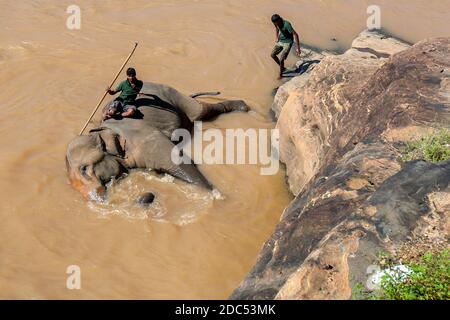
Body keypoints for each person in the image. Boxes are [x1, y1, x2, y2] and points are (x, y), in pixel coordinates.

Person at [270, 14, 301, 79]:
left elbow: (296, 35)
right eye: (274, 23)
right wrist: (276, 37)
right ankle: (283, 68)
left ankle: (281, 75)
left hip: (288, 42)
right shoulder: (276, 23)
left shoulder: (287, 24)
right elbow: (276, 28)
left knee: (281, 59)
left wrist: (298, 48)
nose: (275, 24)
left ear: (279, 20)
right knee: (272, 55)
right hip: (281, 40)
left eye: (276, 22)